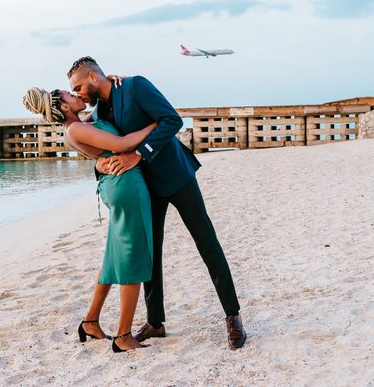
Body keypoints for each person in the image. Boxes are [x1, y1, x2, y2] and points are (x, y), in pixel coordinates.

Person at [67, 56, 247, 350]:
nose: (77, 94)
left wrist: (139, 154)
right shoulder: (100, 107)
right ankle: (155, 322)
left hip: (177, 177)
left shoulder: (135, 85)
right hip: (146, 188)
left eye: (78, 87)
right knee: (150, 253)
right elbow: (88, 140)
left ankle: (233, 316)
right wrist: (99, 167)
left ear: (93, 77)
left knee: (207, 243)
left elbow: (172, 120)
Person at [22, 87, 157, 353]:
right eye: (70, 95)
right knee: (132, 257)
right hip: (125, 185)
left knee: (114, 255)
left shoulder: (80, 123)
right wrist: (155, 125)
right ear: (63, 107)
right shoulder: (74, 129)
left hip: (118, 182)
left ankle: (91, 321)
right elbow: (122, 145)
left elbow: (100, 140)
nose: (76, 95)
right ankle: (123, 336)